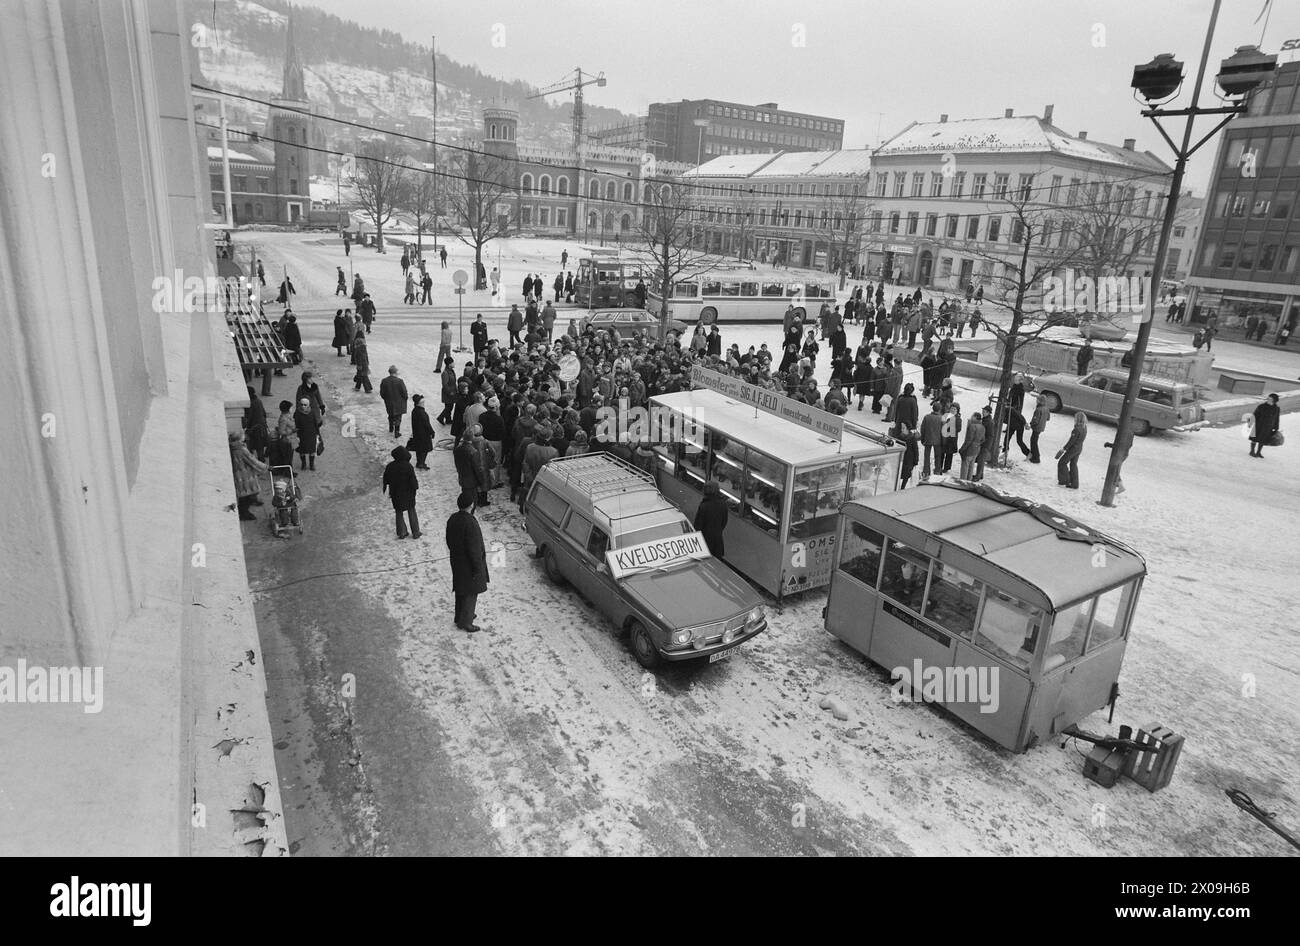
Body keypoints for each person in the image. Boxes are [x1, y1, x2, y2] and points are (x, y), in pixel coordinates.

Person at [445, 492, 488, 633]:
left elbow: (449, 540)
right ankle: (466, 621)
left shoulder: (453, 519)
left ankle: (459, 616)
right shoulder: (470, 522)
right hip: (469, 563)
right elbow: (475, 549)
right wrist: (477, 568)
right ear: (471, 505)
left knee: (461, 589)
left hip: (457, 560)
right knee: (471, 591)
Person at [383, 445, 421, 540]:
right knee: (411, 510)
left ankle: (402, 532)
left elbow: (386, 480)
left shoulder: (390, 466)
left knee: (399, 512)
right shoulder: (408, 466)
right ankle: (416, 532)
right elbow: (413, 480)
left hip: (396, 494)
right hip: (408, 494)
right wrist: (415, 488)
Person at [229, 431, 268, 521]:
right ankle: (244, 513)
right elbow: (253, 461)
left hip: (240, 475)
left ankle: (244, 511)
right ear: (239, 439)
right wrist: (266, 467)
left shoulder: (234, 448)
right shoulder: (241, 449)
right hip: (245, 476)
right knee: (247, 495)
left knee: (245, 496)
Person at [693, 480, 729, 557]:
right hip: (718, 541)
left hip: (705, 540)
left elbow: (698, 525)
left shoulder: (704, 506)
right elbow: (724, 521)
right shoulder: (723, 504)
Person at [1056, 412, 1088, 489]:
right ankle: (1075, 483)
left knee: (1062, 463)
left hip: (1073, 449)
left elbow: (1071, 441)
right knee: (1073, 464)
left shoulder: (1076, 429)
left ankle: (1066, 480)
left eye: (1075, 417)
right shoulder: (1084, 427)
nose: (1074, 419)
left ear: (1078, 419)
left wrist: (1064, 448)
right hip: (1079, 448)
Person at [379, 365, 409, 438]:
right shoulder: (399, 381)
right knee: (398, 417)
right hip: (399, 403)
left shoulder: (384, 381)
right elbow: (404, 392)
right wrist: (405, 398)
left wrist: (386, 399)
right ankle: (397, 432)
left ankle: (391, 428)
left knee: (390, 415)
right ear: (395, 372)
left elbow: (382, 393)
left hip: (389, 402)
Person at [293, 397, 321, 472]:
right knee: (302, 450)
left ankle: (311, 464)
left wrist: (317, 434)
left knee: (312, 450)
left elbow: (315, 423)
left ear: (308, 405)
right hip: (302, 434)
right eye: (301, 404)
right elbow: (296, 425)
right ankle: (304, 464)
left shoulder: (312, 412)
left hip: (311, 434)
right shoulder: (297, 413)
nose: (303, 406)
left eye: (305, 405)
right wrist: (297, 435)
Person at [959, 407, 986, 480]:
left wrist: (962, 449)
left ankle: (963, 480)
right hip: (977, 449)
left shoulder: (972, 426)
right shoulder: (982, 427)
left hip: (970, 449)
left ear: (976, 418)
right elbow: (983, 439)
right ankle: (969, 480)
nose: (971, 417)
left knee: (965, 465)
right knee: (971, 466)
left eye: (972, 416)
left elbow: (968, 440)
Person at [1250, 393, 1280, 458]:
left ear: (1274, 400)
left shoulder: (1277, 409)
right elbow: (1255, 415)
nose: (1268, 400)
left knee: (1263, 440)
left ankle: (1258, 452)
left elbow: (1276, 418)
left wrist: (1276, 427)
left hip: (1268, 427)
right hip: (1258, 425)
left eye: (1270, 399)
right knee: (1254, 438)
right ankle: (1252, 451)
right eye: (1268, 398)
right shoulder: (1261, 406)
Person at [243, 385, 268, 461]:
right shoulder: (258, 401)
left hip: (255, 429)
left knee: (255, 447)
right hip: (262, 427)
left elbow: (249, 418)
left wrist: (246, 427)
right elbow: (264, 413)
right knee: (260, 447)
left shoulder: (251, 404)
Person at [269, 400, 296, 468]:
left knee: (289, 457)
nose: (292, 409)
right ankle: (288, 471)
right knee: (288, 458)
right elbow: (281, 431)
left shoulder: (287, 416)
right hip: (287, 441)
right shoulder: (284, 419)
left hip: (291, 439)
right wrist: (292, 431)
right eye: (291, 407)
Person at [409, 394, 435, 469]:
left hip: (417, 433)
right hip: (424, 434)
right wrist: (432, 432)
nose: (424, 404)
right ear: (419, 403)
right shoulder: (421, 413)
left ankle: (419, 462)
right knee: (425, 449)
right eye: (422, 403)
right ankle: (421, 463)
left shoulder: (414, 411)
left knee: (419, 449)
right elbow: (426, 424)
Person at [920, 400, 943, 478]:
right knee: (938, 456)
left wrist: (922, 438)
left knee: (927, 456)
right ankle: (937, 471)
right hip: (938, 440)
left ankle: (926, 471)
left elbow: (922, 429)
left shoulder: (927, 417)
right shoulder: (942, 418)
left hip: (928, 438)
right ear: (940, 409)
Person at [1029, 393, 1051, 464]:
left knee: (1033, 442)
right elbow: (1048, 418)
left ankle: (1036, 457)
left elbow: (1035, 420)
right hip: (1041, 427)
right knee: (1034, 441)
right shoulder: (1046, 408)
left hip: (1036, 427)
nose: (1036, 401)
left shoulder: (1038, 409)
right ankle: (1035, 455)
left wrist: (1030, 425)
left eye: (1037, 400)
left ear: (1040, 401)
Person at [437, 357, 456, 426]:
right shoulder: (445, 373)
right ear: (449, 364)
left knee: (450, 407)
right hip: (448, 393)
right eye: (452, 362)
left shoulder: (451, 371)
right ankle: (441, 417)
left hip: (452, 391)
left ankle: (448, 419)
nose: (454, 363)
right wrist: (450, 392)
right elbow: (445, 384)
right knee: (448, 407)